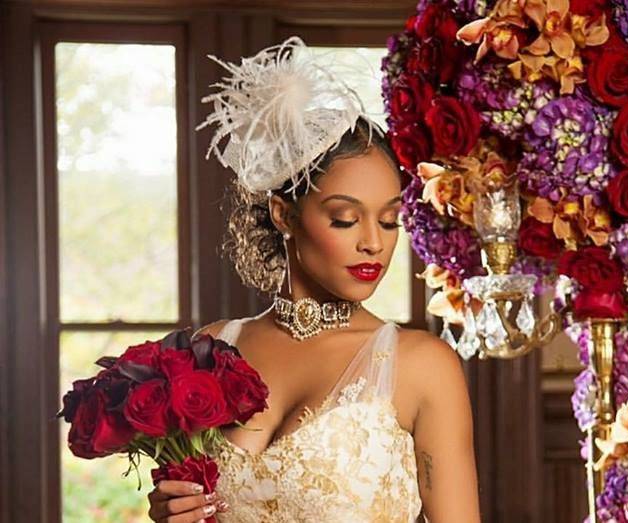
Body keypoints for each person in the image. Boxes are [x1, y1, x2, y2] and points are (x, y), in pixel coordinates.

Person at [146, 37, 480, 523]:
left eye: (389, 221)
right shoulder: (209, 350)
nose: (374, 243)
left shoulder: (421, 365)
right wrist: (169, 512)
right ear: (284, 215)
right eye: (345, 219)